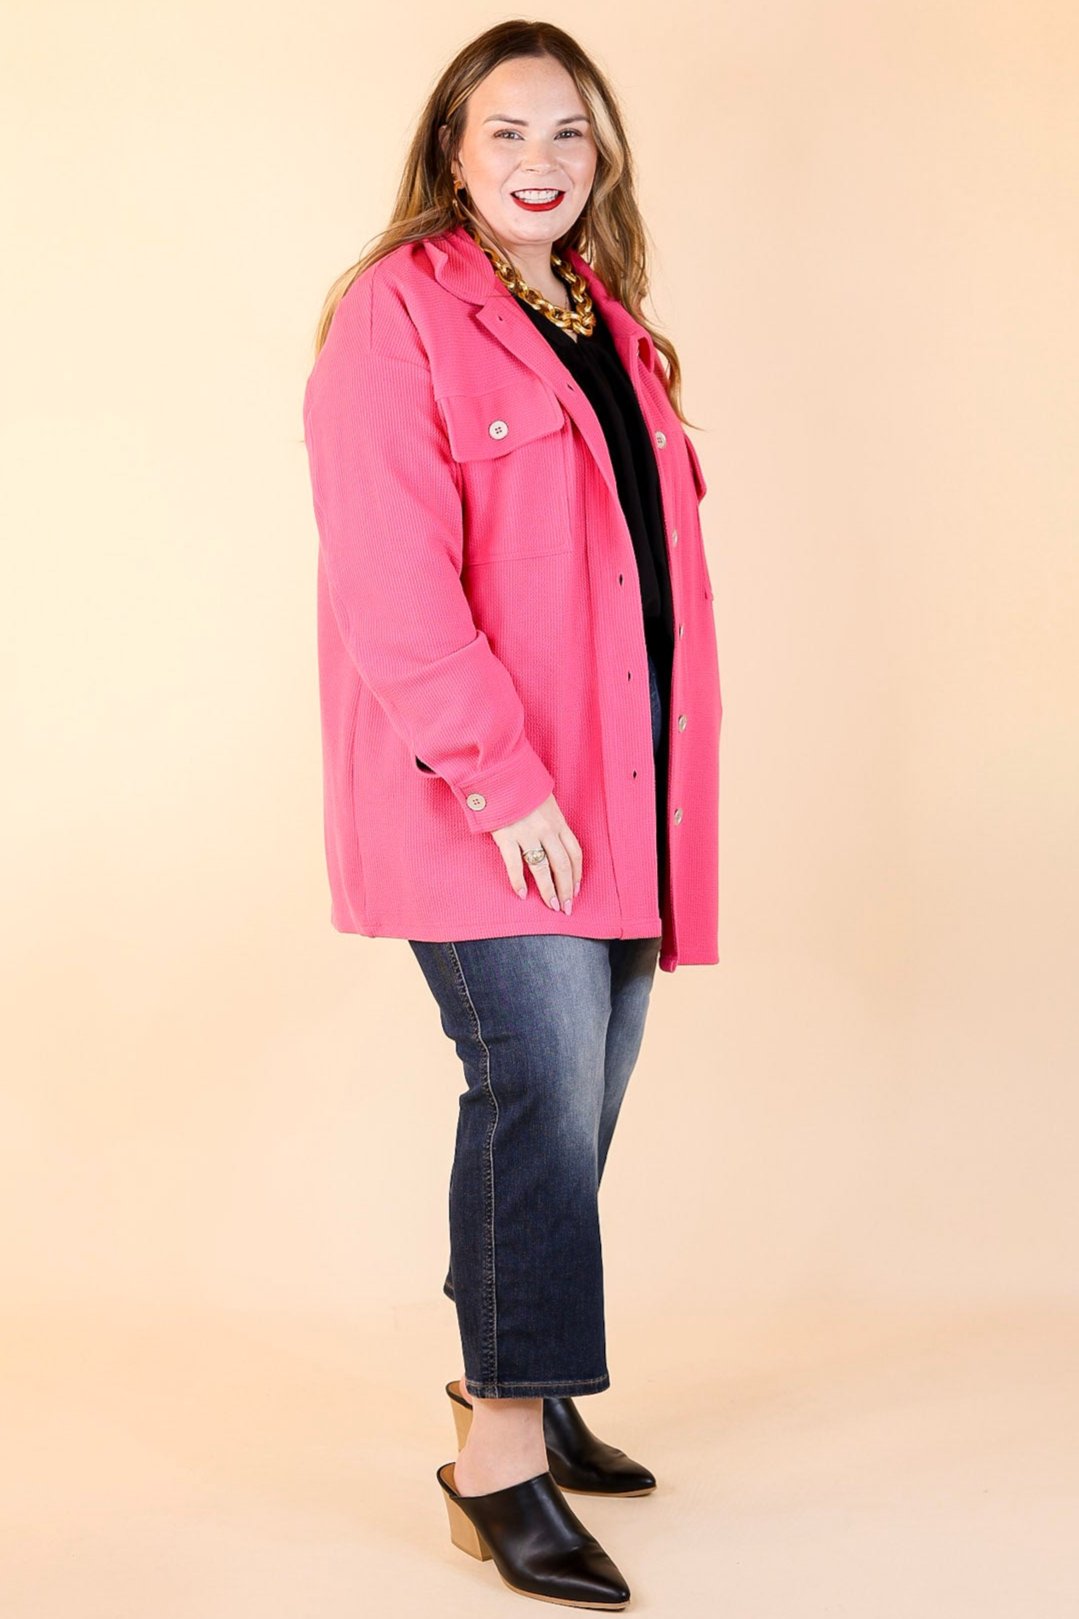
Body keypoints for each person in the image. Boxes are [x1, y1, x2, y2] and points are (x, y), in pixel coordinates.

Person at [302, 20, 722, 1611]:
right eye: (508, 133)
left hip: (621, 789)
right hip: (489, 796)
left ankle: (520, 1379)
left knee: (584, 1094)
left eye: (570, 134)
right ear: (451, 151)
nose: (543, 161)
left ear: (600, 156)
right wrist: (503, 777)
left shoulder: (607, 321)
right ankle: (495, 1462)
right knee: (535, 1091)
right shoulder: (395, 314)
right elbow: (391, 581)